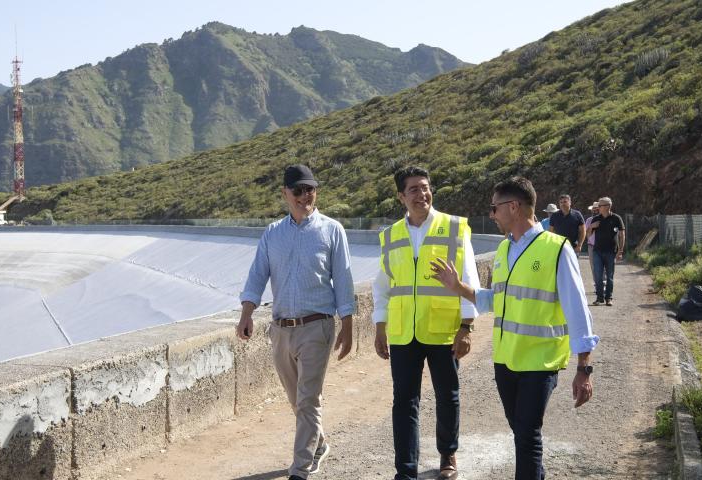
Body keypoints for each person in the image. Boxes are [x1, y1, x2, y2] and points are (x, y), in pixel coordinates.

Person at [430, 176, 599, 480]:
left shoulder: (557, 249)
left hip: (540, 361)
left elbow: (577, 310)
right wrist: (458, 287)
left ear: (514, 207)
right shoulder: (504, 251)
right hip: (506, 361)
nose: (492, 214)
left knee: (527, 433)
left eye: (494, 208)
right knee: (521, 430)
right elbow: (494, 299)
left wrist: (583, 368)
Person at [237, 164, 355, 480]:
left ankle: (300, 469)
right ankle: (318, 444)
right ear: (285, 194)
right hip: (281, 330)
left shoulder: (332, 230)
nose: (305, 196)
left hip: (317, 326)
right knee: (297, 400)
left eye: (310, 189)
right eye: (298, 190)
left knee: (308, 399)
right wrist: (246, 314)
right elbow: (257, 275)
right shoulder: (273, 234)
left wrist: (348, 323)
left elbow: (343, 279)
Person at [373, 166, 480, 480]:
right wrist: (380, 326)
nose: (422, 194)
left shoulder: (455, 228)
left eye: (425, 187)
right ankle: (406, 470)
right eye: (414, 190)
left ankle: (448, 455)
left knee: (448, 395)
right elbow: (383, 286)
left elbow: (469, 278)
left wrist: (467, 327)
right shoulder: (390, 235)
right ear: (401, 196)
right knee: (404, 401)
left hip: (444, 330)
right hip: (406, 332)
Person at [586, 197, 625, 306]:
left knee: (609, 276)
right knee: (598, 276)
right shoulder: (596, 219)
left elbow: (622, 235)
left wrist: (620, 251)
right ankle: (599, 298)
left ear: (608, 206)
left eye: (600, 205)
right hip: (597, 251)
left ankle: (609, 298)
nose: (598, 208)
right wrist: (591, 227)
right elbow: (588, 236)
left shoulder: (617, 218)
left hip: (611, 252)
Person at [583, 201, 601, 273]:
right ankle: (596, 282)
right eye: (593, 209)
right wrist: (591, 226)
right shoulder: (589, 220)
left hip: (602, 245)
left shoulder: (604, 219)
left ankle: (603, 281)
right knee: (593, 265)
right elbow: (586, 233)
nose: (594, 211)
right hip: (592, 245)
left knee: (603, 265)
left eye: (596, 209)